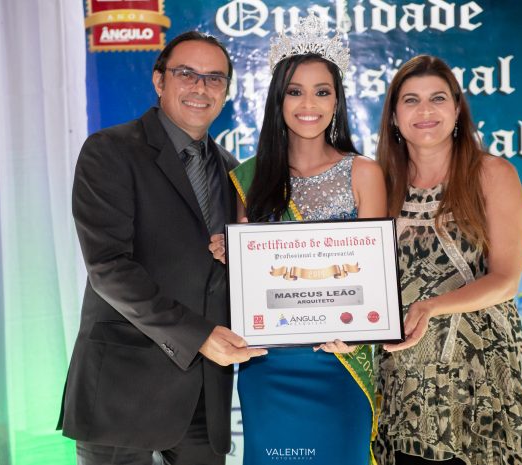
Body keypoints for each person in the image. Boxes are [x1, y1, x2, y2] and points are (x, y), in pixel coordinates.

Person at [58, 31, 267, 465]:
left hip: (203, 400)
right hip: (121, 391)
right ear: (159, 80)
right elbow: (109, 268)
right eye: (186, 74)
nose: (200, 87)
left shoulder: (234, 173)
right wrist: (199, 337)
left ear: (226, 92)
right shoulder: (110, 151)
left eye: (214, 78)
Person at [209, 13, 387, 465]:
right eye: (295, 91)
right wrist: (233, 256)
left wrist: (361, 334)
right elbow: (252, 279)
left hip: (339, 361)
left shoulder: (364, 173)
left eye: (322, 91)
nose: (309, 103)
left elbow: (376, 276)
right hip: (269, 364)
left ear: (337, 100)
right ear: (278, 99)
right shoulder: (249, 177)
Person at [373, 55, 522, 465]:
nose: (425, 110)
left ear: (456, 110)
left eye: (437, 98)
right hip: (404, 385)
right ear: (394, 117)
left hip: (481, 380)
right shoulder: (380, 182)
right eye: (411, 100)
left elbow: (505, 280)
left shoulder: (491, 174)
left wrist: (430, 306)